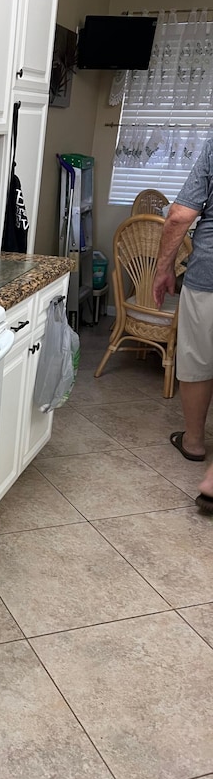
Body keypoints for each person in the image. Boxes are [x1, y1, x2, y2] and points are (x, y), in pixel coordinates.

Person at [152, 137, 213, 514]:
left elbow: (180, 215)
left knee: (197, 359)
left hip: (208, 275)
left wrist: (162, 271)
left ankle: (193, 442)